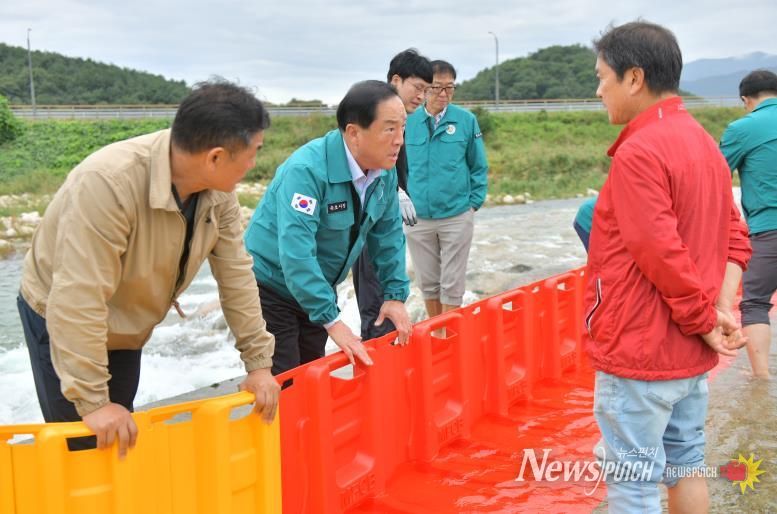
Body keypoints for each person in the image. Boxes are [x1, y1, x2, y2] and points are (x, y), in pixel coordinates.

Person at [18, 80, 280, 457]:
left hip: (129, 315)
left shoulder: (218, 192)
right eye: (253, 153)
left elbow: (236, 274)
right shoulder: (108, 184)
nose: (254, 165)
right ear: (216, 157)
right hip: (58, 313)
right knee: (82, 440)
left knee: (120, 427)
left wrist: (258, 365)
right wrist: (92, 401)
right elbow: (78, 295)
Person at [584, 22, 751, 513]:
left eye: (602, 78)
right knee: (686, 466)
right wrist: (719, 308)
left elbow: (659, 251)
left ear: (634, 78)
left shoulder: (639, 151)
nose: (599, 90)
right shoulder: (702, 142)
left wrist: (705, 320)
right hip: (687, 355)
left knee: (633, 485)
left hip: (642, 352)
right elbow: (735, 237)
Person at [244, 80, 412, 376]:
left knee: (311, 372)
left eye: (403, 128)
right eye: (389, 129)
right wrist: (332, 321)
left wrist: (395, 296)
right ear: (354, 133)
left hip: (318, 286)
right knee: (284, 378)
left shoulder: (383, 172)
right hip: (270, 286)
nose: (399, 139)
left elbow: (388, 237)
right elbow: (296, 254)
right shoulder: (307, 171)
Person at [352, 49, 432, 341]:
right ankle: (378, 358)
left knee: (385, 290)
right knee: (376, 299)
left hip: (384, 220)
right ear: (396, 80)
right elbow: (359, 160)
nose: (421, 96)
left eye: (426, 90)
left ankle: (383, 354)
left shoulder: (401, 118)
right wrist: (393, 190)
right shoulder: (374, 110)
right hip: (368, 219)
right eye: (418, 88)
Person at [403, 60, 488, 318]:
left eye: (449, 88)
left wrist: (473, 203)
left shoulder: (465, 120)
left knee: (452, 284)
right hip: (418, 217)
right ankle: (436, 332)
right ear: (425, 89)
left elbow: (478, 165)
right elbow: (397, 165)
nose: (443, 94)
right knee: (428, 282)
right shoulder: (409, 122)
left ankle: (448, 336)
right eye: (437, 88)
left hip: (456, 214)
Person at [719, 69, 777, 379]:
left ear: (746, 100)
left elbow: (712, 177)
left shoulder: (742, 128)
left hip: (769, 229)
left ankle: (762, 378)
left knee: (755, 303)